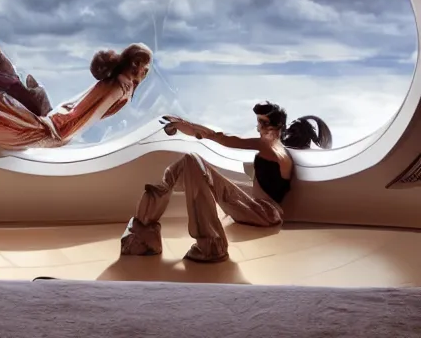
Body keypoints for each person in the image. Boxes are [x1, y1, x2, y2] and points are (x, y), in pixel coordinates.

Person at [121, 102, 332, 263]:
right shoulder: (277, 150)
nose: (259, 128)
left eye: (263, 123)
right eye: (258, 122)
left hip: (264, 213)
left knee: (193, 161)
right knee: (190, 162)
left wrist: (185, 126)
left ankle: (209, 245)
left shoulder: (270, 147)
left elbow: (222, 138)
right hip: (259, 208)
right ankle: (147, 225)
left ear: (278, 126)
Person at [0, 42, 153, 150]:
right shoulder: (118, 87)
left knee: (22, 109)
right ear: (130, 63)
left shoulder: (117, 83)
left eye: (146, 67)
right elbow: (89, 115)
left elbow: (86, 110)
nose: (144, 71)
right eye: (141, 65)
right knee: (13, 122)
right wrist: (62, 134)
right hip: (59, 126)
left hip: (60, 119)